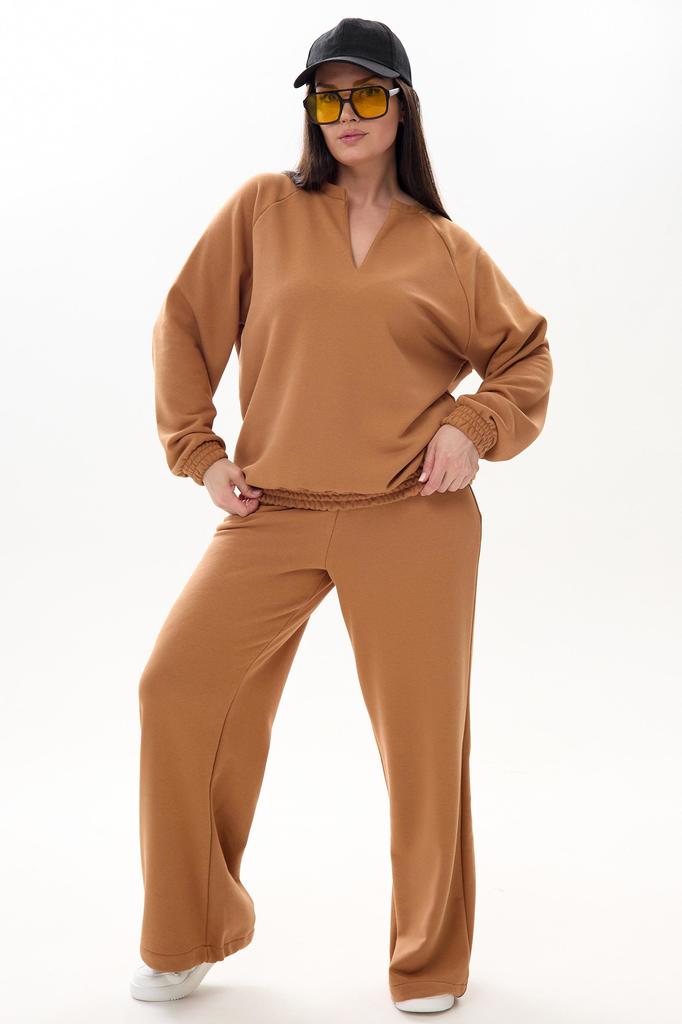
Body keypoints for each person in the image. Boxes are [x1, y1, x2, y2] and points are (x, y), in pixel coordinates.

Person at [129, 17, 553, 1014]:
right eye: (327, 96)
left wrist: (472, 427)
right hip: (272, 508)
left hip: (412, 516)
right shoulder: (263, 209)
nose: (346, 113)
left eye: (367, 94)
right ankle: (189, 927)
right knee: (175, 688)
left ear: (402, 106)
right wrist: (200, 452)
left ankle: (427, 961)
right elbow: (184, 323)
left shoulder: (446, 249)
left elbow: (524, 356)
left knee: (422, 741)